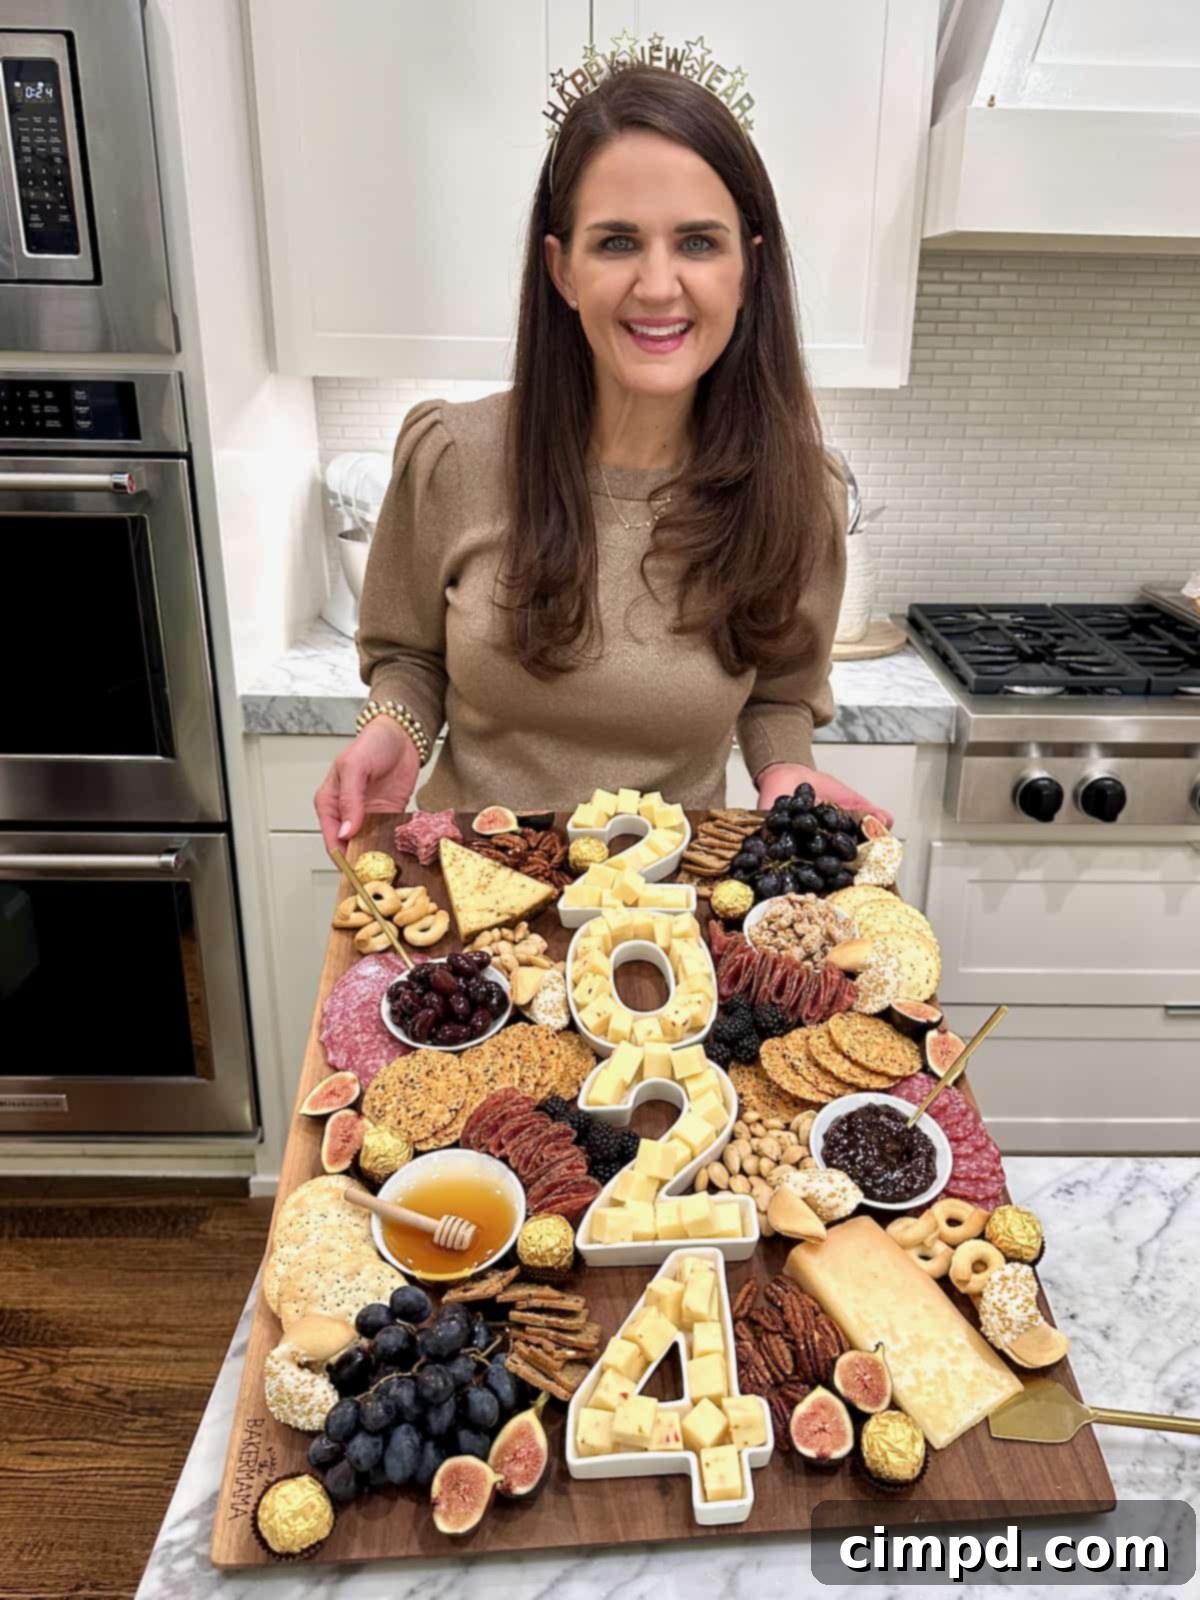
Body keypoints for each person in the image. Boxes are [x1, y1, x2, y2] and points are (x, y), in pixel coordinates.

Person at [315, 64, 892, 852]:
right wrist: (395, 733)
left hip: (666, 916)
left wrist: (784, 775)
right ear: (562, 270)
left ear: (747, 268)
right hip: (467, 894)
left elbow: (778, 695)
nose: (659, 285)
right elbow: (408, 656)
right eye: (617, 241)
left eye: (697, 241)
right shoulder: (453, 457)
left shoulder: (799, 494)